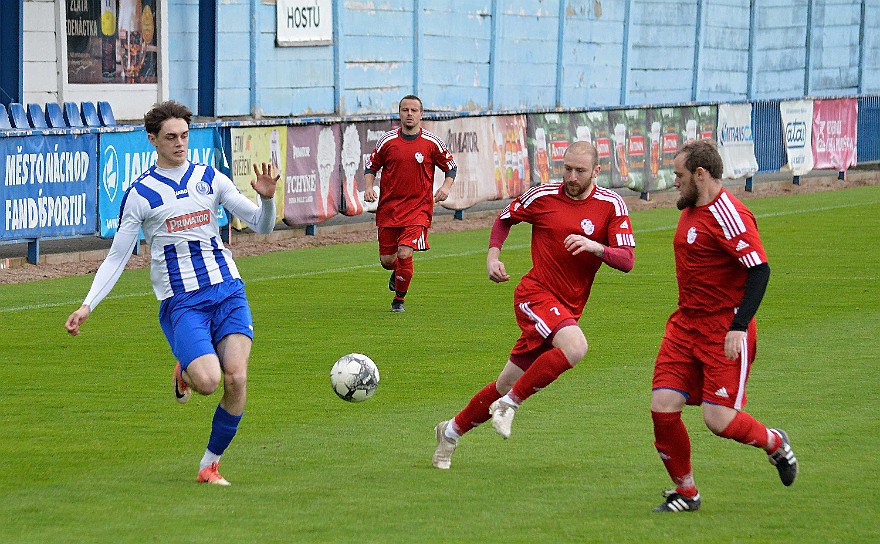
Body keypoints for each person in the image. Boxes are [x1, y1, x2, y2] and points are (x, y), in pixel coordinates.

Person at [64, 100, 279, 486]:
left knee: (236, 379)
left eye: (184, 135)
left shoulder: (210, 178)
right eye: (170, 137)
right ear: (153, 140)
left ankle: (209, 465)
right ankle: (185, 371)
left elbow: (262, 227)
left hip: (227, 290)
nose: (180, 143)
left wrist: (266, 199)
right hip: (183, 303)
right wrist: (87, 305)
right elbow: (116, 258)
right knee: (209, 381)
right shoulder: (141, 194)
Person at [432, 140, 636, 469]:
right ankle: (509, 406)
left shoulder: (612, 205)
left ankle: (451, 432)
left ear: (597, 171)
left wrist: (594, 246)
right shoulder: (543, 196)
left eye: (580, 171)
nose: (571, 176)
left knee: (505, 383)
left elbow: (627, 260)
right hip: (534, 294)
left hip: (567, 308)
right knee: (575, 346)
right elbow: (504, 218)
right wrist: (492, 256)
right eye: (567, 168)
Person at [650, 139, 798, 513]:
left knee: (718, 419)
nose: (674, 182)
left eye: (679, 175)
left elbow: (760, 270)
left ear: (700, 175)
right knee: (662, 407)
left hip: (723, 330)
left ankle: (774, 442)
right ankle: (686, 493)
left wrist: (738, 325)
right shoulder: (690, 208)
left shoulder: (729, 214)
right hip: (685, 325)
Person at [363, 95, 457, 312]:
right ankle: (398, 273)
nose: (409, 114)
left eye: (414, 110)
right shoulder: (387, 141)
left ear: (421, 114)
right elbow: (371, 166)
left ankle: (399, 300)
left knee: (405, 253)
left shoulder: (432, 143)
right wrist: (369, 187)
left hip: (418, 209)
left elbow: (450, 167)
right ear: (399, 114)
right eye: (405, 110)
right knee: (388, 260)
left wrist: (446, 187)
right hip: (389, 209)